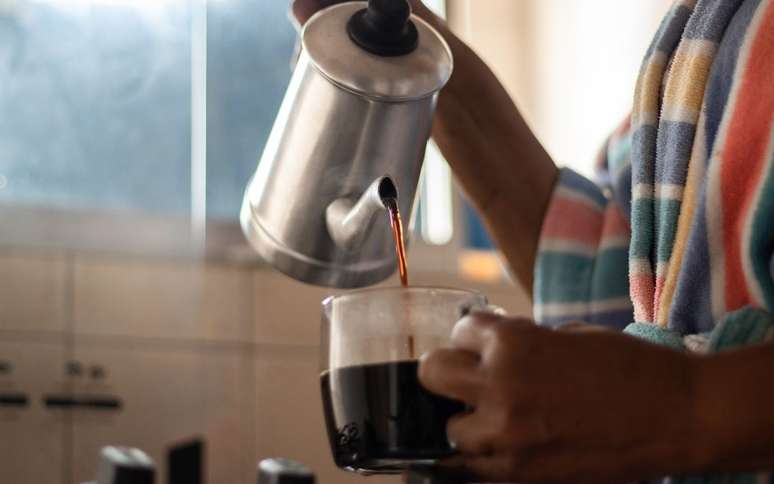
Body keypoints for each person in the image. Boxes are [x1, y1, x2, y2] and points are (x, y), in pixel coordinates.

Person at [294, 1, 774, 482]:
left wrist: (687, 406)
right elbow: (612, 267)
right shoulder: (701, 33)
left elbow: (658, 391)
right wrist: (412, 44)